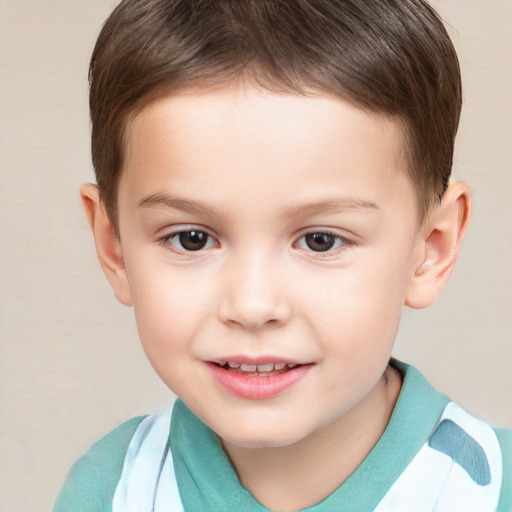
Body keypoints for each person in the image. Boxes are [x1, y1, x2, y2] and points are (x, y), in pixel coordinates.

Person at [53, 0, 511, 510]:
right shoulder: (109, 491)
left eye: (321, 240)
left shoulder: (493, 490)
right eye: (191, 239)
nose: (252, 305)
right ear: (114, 247)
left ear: (431, 247)